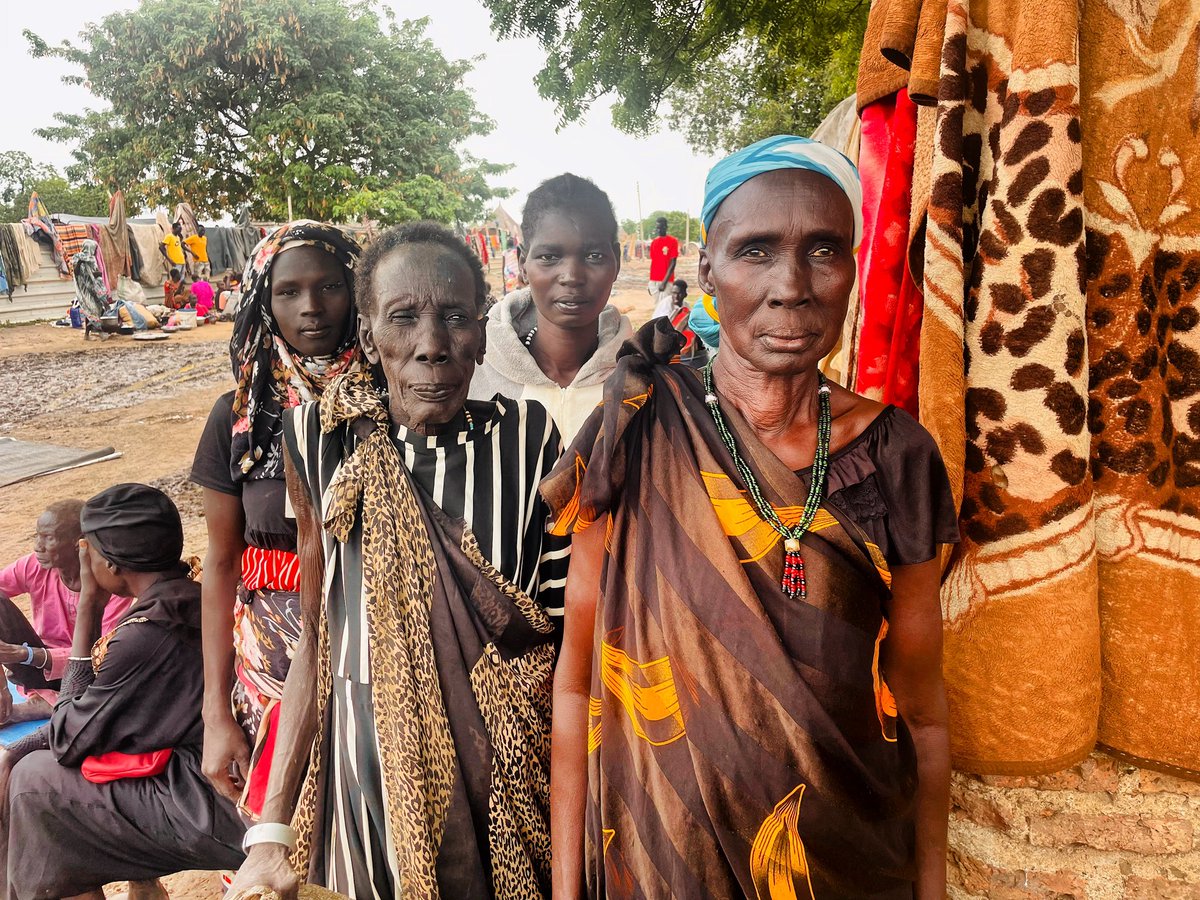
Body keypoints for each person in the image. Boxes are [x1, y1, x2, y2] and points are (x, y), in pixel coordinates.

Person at [543, 135, 958, 899]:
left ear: (853, 271)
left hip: (852, 865)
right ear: (708, 270)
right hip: (658, 864)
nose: (792, 286)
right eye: (757, 252)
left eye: (824, 251)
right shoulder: (638, 425)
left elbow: (924, 714)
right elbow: (576, 688)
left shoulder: (897, 456)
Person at [229, 221, 568, 900]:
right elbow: (318, 637)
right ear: (369, 330)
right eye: (404, 318)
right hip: (365, 763)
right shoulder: (317, 437)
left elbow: (558, 632)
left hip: (505, 764)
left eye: (454, 318)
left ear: (483, 324)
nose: (432, 348)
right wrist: (272, 829)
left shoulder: (531, 438)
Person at [191, 221, 365, 820]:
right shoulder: (238, 418)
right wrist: (216, 712)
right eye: (288, 291)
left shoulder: (399, 402)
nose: (311, 307)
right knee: (276, 842)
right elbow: (219, 563)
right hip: (268, 675)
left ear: (358, 292)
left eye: (330, 287)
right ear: (263, 301)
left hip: (378, 661)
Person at [1, 484, 245, 899]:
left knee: (33, 787)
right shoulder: (190, 596)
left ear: (111, 565)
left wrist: (88, 611)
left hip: (210, 804)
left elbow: (66, 737)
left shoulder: (146, 633)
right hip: (209, 775)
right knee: (30, 771)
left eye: (88, 550)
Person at [469, 173, 633, 441]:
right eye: (549, 257)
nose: (571, 276)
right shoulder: (473, 374)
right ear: (523, 264)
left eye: (594, 256)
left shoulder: (642, 380)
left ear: (616, 261)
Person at [0, 501, 132, 724]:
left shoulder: (110, 579)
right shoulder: (33, 565)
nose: (37, 546)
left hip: (90, 672)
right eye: (37, 536)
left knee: (116, 670)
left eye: (48, 537)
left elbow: (102, 652)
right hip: (38, 668)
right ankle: (52, 703)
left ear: (80, 542)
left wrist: (28, 655)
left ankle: (45, 704)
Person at [71, 239, 112, 341]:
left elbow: (95, 274)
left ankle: (87, 334)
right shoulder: (77, 258)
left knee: (92, 311)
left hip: (93, 289)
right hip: (84, 291)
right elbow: (76, 272)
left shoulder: (92, 260)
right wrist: (81, 261)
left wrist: (98, 275)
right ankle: (101, 333)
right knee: (92, 310)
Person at [667, 279, 707, 368]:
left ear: (685, 294)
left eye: (679, 293)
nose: (676, 296)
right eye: (674, 293)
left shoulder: (686, 308)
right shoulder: (666, 307)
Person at [648, 215, 680, 318]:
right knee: (657, 307)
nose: (659, 229)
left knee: (665, 309)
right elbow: (654, 263)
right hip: (654, 281)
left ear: (666, 227)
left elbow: (673, 263)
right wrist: (650, 282)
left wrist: (664, 282)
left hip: (666, 281)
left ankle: (666, 332)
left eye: (661, 227)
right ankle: (657, 331)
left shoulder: (673, 241)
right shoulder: (654, 242)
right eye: (657, 227)